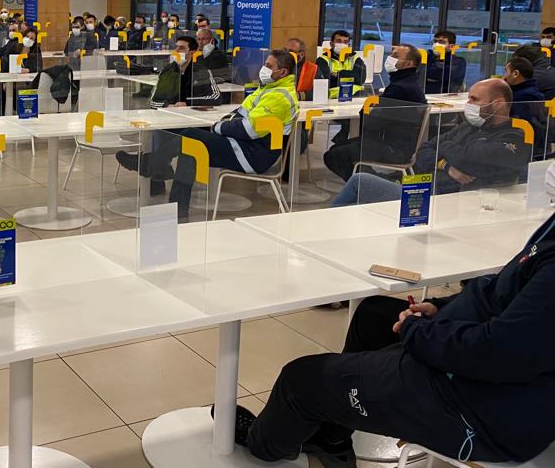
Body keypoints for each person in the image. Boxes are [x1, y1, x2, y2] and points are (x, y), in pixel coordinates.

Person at [226, 166, 555, 467]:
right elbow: (500, 294)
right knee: (371, 316)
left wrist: (417, 332)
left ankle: (262, 448)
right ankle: (332, 437)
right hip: (477, 372)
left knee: (299, 381)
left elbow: (501, 353)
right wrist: (441, 308)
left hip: (477, 409)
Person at [119, 49, 298, 220]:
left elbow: (248, 129)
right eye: (265, 64)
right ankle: (177, 209)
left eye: (269, 66)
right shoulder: (267, 89)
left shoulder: (279, 96)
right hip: (243, 144)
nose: (264, 68)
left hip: (254, 155)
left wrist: (218, 127)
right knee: (190, 148)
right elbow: (238, 113)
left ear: (282, 72)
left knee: (190, 135)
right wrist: (225, 123)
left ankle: (151, 164)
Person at [333, 79, 529, 205]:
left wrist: (444, 148)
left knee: (360, 182)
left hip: (444, 201)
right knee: (361, 190)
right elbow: (424, 151)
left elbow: (470, 160)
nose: (468, 104)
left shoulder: (513, 137)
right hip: (424, 185)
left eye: (475, 99)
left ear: (498, 104)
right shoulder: (468, 127)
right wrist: (447, 166)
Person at [323, 44, 427, 180]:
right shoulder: (409, 83)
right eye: (391, 54)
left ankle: (367, 184)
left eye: (395, 56)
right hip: (397, 143)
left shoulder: (400, 88)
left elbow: (373, 124)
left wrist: (366, 111)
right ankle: (370, 180)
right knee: (336, 149)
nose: (390, 58)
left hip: (392, 147)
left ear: (408, 63)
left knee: (333, 156)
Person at [315, 30, 366, 99]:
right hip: (334, 97)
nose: (342, 44)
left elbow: (360, 79)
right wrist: (351, 77)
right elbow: (326, 82)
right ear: (331, 44)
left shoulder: (356, 58)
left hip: (357, 95)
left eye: (345, 42)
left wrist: (338, 74)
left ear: (348, 45)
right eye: (338, 41)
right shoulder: (322, 60)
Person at [425, 30, 467, 94]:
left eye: (441, 42)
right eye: (435, 41)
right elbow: (419, 74)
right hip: (425, 94)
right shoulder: (428, 57)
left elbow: (439, 74)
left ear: (451, 46)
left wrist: (429, 74)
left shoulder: (459, 61)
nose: (436, 44)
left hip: (446, 95)